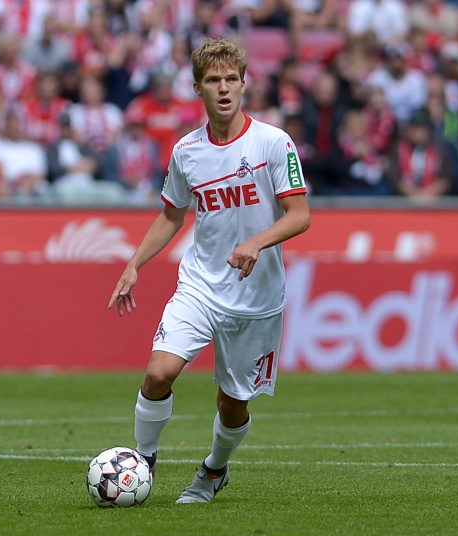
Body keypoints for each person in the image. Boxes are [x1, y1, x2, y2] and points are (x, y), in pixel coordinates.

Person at [107, 38, 310, 504]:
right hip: (200, 285)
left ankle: (214, 470)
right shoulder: (187, 151)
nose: (224, 88)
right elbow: (171, 215)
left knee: (232, 403)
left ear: (244, 84)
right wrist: (135, 263)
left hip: (256, 298)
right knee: (159, 372)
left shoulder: (273, 142)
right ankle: (143, 461)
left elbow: (300, 215)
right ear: (198, 88)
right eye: (214, 80)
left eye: (231, 79)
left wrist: (257, 242)